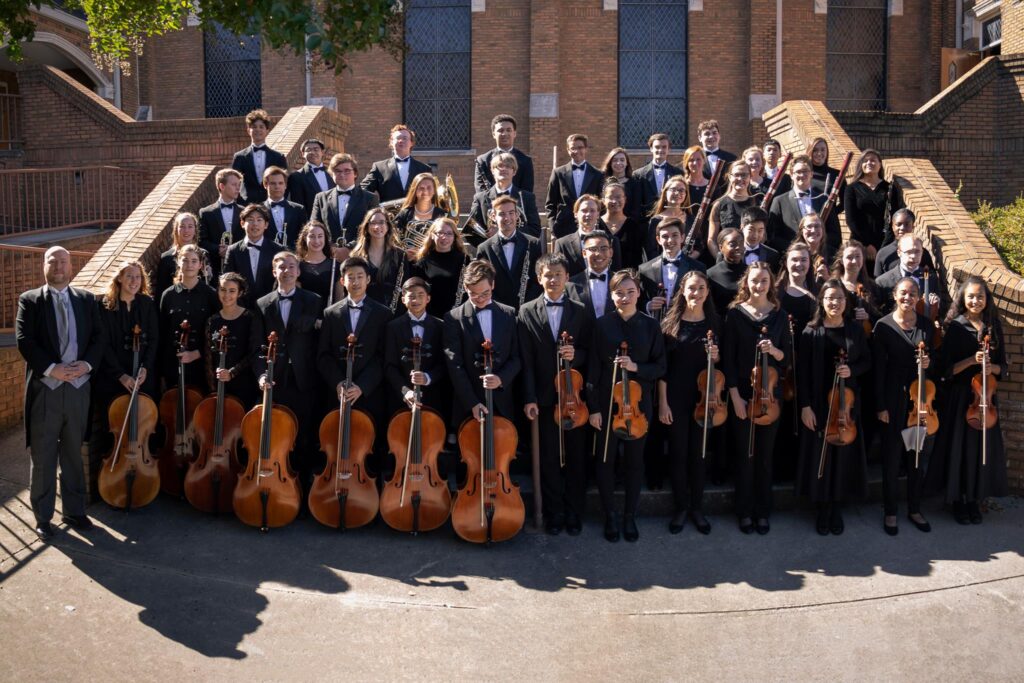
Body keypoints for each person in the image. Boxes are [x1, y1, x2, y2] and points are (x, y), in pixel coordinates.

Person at [16, 246, 105, 540]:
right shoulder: (29, 301)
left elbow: (99, 337)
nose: (58, 266)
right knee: (43, 456)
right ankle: (43, 517)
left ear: (71, 267)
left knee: (72, 452)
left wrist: (87, 365)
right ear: (44, 266)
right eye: (52, 261)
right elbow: (25, 341)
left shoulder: (87, 300)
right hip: (47, 389)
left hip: (79, 389)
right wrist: (52, 368)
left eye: (63, 262)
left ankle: (75, 511)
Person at [587, 269, 667, 542]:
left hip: (639, 406)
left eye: (630, 291)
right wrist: (595, 408)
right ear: (611, 295)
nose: (625, 297)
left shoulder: (650, 326)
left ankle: (629, 516)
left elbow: (660, 366)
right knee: (605, 461)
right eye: (619, 292)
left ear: (639, 293)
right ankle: (610, 515)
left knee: (634, 463)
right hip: (608, 405)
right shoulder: (601, 325)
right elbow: (593, 370)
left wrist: (636, 367)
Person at [518, 253, 594, 536]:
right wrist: (529, 398)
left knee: (575, 456)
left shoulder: (581, 309)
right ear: (539, 278)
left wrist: (577, 355)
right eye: (547, 275)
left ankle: (574, 512)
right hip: (543, 396)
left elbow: (591, 350)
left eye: (558, 275)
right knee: (548, 458)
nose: (552, 280)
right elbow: (525, 360)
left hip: (574, 397)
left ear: (566, 277)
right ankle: (554, 513)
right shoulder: (526, 311)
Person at [926, 276, 1008, 525]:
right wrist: (972, 361)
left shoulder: (993, 327)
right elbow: (946, 370)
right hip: (961, 399)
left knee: (980, 452)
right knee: (959, 451)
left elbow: (1003, 368)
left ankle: (975, 498)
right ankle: (959, 500)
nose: (975, 300)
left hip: (985, 399)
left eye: (980, 296)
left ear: (987, 299)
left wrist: (990, 366)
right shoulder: (957, 328)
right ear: (963, 299)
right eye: (971, 296)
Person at [795, 280, 871, 536]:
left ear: (846, 302)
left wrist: (853, 369)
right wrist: (805, 406)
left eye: (839, 298)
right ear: (822, 301)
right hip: (818, 403)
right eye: (829, 298)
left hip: (845, 404)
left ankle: (837, 506)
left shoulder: (855, 330)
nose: (835, 303)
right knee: (820, 455)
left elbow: (866, 362)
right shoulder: (809, 331)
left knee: (842, 456)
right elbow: (801, 373)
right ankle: (821, 507)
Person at [722, 261, 791, 535]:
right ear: (746, 283)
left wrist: (773, 351)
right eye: (754, 281)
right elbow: (727, 359)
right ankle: (744, 511)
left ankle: (763, 511)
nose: (759, 285)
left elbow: (786, 358)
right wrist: (735, 398)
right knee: (745, 455)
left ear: (770, 284)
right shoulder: (735, 315)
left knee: (764, 456)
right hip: (743, 393)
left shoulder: (779, 315)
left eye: (764, 281)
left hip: (770, 396)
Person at [872, 276, 935, 535]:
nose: (907, 298)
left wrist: (929, 364)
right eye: (903, 293)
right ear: (894, 296)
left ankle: (915, 508)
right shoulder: (883, 326)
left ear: (918, 297)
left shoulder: (926, 326)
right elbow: (877, 370)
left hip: (918, 401)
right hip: (892, 399)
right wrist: (881, 406)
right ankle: (890, 512)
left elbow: (937, 360)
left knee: (915, 458)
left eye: (912, 294)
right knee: (891, 457)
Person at [318, 256, 392, 476]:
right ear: (342, 281)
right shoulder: (331, 313)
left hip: (369, 394)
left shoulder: (383, 313)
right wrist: (338, 382)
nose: (356, 282)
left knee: (370, 449)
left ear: (368, 279)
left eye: (360, 276)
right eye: (351, 277)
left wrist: (362, 386)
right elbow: (323, 356)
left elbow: (383, 357)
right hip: (338, 393)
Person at [255, 251, 322, 489]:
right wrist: (262, 374)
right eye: (281, 267)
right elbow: (258, 347)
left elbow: (317, 342)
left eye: (292, 267)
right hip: (276, 378)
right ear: (274, 272)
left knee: (304, 434)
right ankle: (277, 483)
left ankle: (302, 486)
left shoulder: (313, 300)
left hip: (303, 377)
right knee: (278, 433)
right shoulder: (262, 304)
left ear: (299, 271)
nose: (287, 271)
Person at [659, 270, 719, 535]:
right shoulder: (670, 323)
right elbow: (663, 369)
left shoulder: (716, 324)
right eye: (692, 288)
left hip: (704, 398)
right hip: (675, 398)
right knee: (679, 454)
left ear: (707, 292)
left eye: (701, 288)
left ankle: (697, 507)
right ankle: (681, 508)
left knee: (700, 454)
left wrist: (716, 357)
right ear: (683, 290)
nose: (696, 293)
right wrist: (663, 403)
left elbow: (722, 367)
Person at [90, 260, 159, 486]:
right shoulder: (106, 307)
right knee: (114, 427)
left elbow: (153, 340)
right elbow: (104, 346)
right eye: (129, 276)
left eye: (138, 277)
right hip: (113, 377)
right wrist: (120, 375)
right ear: (119, 278)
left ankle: (143, 476)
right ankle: (113, 478)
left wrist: (145, 368)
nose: (134, 281)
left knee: (142, 427)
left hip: (141, 377)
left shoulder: (147, 304)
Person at [443, 259, 521, 425]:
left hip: (503, 401)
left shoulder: (509, 314)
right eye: (473, 294)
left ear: (493, 285)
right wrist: (471, 401)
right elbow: (455, 365)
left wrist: (501, 378)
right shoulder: (454, 318)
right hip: (469, 403)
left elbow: (517, 357)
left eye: (485, 293)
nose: (479, 299)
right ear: (465, 288)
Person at [383, 277, 449, 420]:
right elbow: (389, 366)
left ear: (428, 299)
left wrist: (428, 377)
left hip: (432, 398)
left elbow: (444, 362)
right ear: (403, 300)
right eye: (411, 296)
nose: (416, 300)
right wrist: (405, 391)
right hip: (401, 399)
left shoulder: (440, 326)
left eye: (420, 295)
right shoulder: (393, 327)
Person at [159, 244, 220, 393]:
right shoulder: (168, 295)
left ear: (200, 265)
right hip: (173, 364)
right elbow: (162, 332)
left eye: (194, 261)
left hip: (202, 365)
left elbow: (217, 332)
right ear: (178, 263)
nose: (189, 265)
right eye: (185, 260)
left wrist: (197, 353)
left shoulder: (211, 295)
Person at [474, 194, 543, 311]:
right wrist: (501, 308)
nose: (507, 218)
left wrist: (527, 305)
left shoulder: (534, 244)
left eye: (511, 213)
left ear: (517, 215)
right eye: (502, 214)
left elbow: (538, 280)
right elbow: (484, 283)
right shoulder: (484, 248)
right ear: (493, 216)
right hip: (497, 310)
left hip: (527, 309)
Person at [206, 272, 262, 410]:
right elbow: (208, 355)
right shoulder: (212, 321)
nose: (226, 295)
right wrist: (213, 386)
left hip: (245, 383)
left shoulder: (250, 318)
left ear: (240, 293)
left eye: (232, 291)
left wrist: (232, 372)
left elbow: (253, 352)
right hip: (220, 384)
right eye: (223, 290)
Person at [767, 154, 841, 254]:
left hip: (820, 258)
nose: (802, 175)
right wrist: (795, 249)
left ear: (811, 173)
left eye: (805, 171)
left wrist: (817, 246)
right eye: (798, 172)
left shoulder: (824, 199)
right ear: (792, 175)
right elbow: (772, 236)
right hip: (791, 259)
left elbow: (835, 234)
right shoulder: (779, 201)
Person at [638, 217, 705, 320]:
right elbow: (638, 300)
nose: (670, 240)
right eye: (665, 236)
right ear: (658, 240)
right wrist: (648, 305)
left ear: (682, 237)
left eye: (675, 235)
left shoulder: (697, 268)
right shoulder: (645, 269)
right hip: (656, 327)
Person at [844, 148, 905, 258]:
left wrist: (883, 248)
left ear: (880, 164)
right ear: (860, 165)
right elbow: (851, 220)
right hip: (859, 244)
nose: (869, 163)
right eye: (865, 161)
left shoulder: (889, 188)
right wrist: (867, 245)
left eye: (873, 160)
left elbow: (894, 218)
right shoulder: (851, 188)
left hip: (884, 243)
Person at [311, 153, 381, 246]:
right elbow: (315, 227)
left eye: (347, 171)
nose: (342, 174)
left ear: (355, 173)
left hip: (359, 253)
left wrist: (349, 248)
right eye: (337, 171)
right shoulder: (321, 198)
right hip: (329, 254)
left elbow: (373, 228)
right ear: (332, 174)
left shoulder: (370, 198)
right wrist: (331, 248)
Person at [410, 217, 475, 317]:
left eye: (449, 233)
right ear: (432, 235)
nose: (444, 237)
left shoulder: (464, 260)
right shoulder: (422, 263)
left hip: (459, 316)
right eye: (440, 233)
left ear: (454, 237)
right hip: (432, 318)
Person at [348, 207, 409, 313]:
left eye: (381, 222)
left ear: (388, 226)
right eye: (373, 223)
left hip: (393, 314)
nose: (377, 227)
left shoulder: (400, 255)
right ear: (366, 227)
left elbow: (405, 289)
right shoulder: (356, 256)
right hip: (364, 313)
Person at [468, 153, 543, 239]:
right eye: (499, 166)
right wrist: (488, 246)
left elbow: (535, 230)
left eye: (508, 166)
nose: (504, 169)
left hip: (520, 250)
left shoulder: (527, 197)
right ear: (492, 170)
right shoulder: (480, 198)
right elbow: (471, 231)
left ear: (514, 171)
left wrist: (501, 231)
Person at [223, 204, 284, 307]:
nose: (255, 224)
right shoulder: (233, 250)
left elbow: (280, 281)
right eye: (250, 220)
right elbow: (228, 281)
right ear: (242, 223)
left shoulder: (278, 250)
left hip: (270, 307)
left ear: (266, 225)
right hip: (240, 308)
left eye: (259, 220)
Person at [545, 133, 604, 238]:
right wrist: (553, 227)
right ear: (568, 150)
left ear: (586, 149)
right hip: (563, 229)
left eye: (580, 147)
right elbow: (550, 204)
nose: (576, 151)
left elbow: (601, 203)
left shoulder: (598, 174)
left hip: (590, 227)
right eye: (573, 148)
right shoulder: (558, 173)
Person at [360, 124, 432, 203]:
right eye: (398, 138)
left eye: (405, 138)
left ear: (411, 143)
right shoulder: (379, 167)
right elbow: (363, 190)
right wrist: (374, 205)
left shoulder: (424, 169)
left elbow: (432, 194)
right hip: (389, 214)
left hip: (416, 214)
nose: (401, 141)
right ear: (391, 142)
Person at [554, 194, 623, 276]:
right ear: (575, 214)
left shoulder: (612, 241)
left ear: (598, 214)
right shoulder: (562, 244)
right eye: (584, 210)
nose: (588, 214)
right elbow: (559, 273)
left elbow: (616, 273)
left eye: (592, 211)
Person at [875, 235, 942, 316]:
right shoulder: (882, 282)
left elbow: (939, 311)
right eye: (909, 252)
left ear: (922, 252)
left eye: (917, 252)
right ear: (899, 253)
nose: (913, 256)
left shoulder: (931, 277)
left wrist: (936, 304)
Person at [232, 109, 287, 205]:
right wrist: (240, 202)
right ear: (249, 130)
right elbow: (233, 182)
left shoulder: (278, 157)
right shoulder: (239, 157)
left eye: (261, 127)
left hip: (271, 204)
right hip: (246, 205)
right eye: (254, 127)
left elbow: (285, 183)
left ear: (267, 131)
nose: (258, 129)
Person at [198, 168, 245, 280]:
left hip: (238, 267)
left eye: (239, 185)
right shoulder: (206, 212)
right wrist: (217, 249)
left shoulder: (244, 211)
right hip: (215, 267)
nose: (238, 188)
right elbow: (201, 241)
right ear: (222, 186)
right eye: (234, 184)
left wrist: (232, 249)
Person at [474, 114, 535, 194]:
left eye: (508, 130)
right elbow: (480, 193)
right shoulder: (483, 161)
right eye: (500, 130)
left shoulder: (525, 161)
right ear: (493, 134)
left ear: (514, 133)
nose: (504, 134)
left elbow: (527, 192)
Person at [707, 161, 757, 258]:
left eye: (744, 175)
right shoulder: (719, 204)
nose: (740, 178)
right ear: (730, 177)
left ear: (750, 177)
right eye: (736, 175)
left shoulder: (757, 203)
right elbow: (711, 240)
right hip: (727, 260)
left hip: (751, 259)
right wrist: (721, 260)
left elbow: (762, 236)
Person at [155, 212, 210, 298]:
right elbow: (160, 291)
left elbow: (210, 285)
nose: (186, 230)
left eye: (190, 226)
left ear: (195, 230)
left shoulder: (204, 254)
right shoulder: (166, 258)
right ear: (176, 230)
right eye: (182, 226)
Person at [631, 133, 683, 221]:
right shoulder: (638, 174)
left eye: (664, 147)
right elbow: (636, 204)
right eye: (657, 147)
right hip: (646, 221)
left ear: (668, 149)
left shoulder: (678, 173)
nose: (660, 150)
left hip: (671, 220)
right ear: (651, 149)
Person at [567, 230, 615, 320]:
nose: (598, 254)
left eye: (603, 249)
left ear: (611, 252)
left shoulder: (621, 281)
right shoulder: (570, 284)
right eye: (593, 249)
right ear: (584, 253)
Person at [873, 208, 935, 278]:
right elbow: (878, 283)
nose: (902, 228)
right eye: (898, 224)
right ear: (893, 227)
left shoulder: (922, 253)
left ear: (913, 227)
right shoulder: (883, 254)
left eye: (907, 224)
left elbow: (929, 279)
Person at [642, 175, 690, 263]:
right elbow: (650, 249)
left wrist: (686, 260)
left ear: (686, 194)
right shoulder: (655, 220)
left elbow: (699, 245)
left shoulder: (690, 218)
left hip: (687, 266)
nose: (677, 193)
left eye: (681, 190)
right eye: (673, 189)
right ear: (665, 193)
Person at [287, 138, 335, 220]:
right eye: (308, 150)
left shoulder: (332, 174)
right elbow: (299, 205)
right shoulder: (297, 176)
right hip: (313, 223)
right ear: (302, 154)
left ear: (322, 152)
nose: (312, 152)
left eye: (316, 149)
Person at [601, 179, 643, 268]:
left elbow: (637, 258)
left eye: (618, 197)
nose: (614, 201)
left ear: (625, 199)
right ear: (603, 200)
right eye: (610, 197)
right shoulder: (596, 224)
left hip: (626, 278)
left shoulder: (633, 226)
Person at [393, 172, 446, 243]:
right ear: (415, 191)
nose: (425, 191)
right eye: (421, 188)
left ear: (434, 191)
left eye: (429, 187)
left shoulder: (441, 215)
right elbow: (395, 239)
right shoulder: (404, 214)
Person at [296, 221, 338, 306]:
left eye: (320, 236)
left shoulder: (335, 266)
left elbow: (339, 298)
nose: (316, 241)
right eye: (312, 236)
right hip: (304, 317)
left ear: (325, 238)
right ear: (305, 238)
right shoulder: (297, 265)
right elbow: (297, 299)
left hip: (328, 317)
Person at [262, 166, 305, 249]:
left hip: (292, 257)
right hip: (266, 257)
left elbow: (303, 237)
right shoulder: (258, 210)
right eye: (273, 183)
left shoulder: (299, 209)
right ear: (265, 185)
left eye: (280, 183)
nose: (277, 186)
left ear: (285, 185)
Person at [706, 228, 746, 314]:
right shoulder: (710, 275)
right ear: (721, 248)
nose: (738, 247)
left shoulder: (750, 272)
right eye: (732, 244)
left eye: (741, 243)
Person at [807, 137, 846, 213]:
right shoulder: (804, 174)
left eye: (823, 150)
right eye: (815, 150)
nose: (819, 153)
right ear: (810, 151)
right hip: (807, 221)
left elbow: (844, 202)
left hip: (829, 223)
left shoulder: (837, 174)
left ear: (827, 151)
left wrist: (831, 214)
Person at [737, 207, 780, 271]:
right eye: (751, 230)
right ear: (742, 227)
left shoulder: (772, 255)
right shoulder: (731, 252)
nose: (755, 235)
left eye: (760, 230)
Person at [794, 213, 831, 284]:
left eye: (817, 226)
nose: (813, 230)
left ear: (822, 230)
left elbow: (841, 289)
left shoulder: (833, 254)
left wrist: (827, 277)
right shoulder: (794, 255)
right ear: (802, 231)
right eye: (809, 226)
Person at [600, 147, 636, 216]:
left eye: (622, 160)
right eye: (615, 160)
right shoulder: (601, 182)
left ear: (627, 163)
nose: (618, 163)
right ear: (610, 163)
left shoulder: (634, 183)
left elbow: (636, 207)